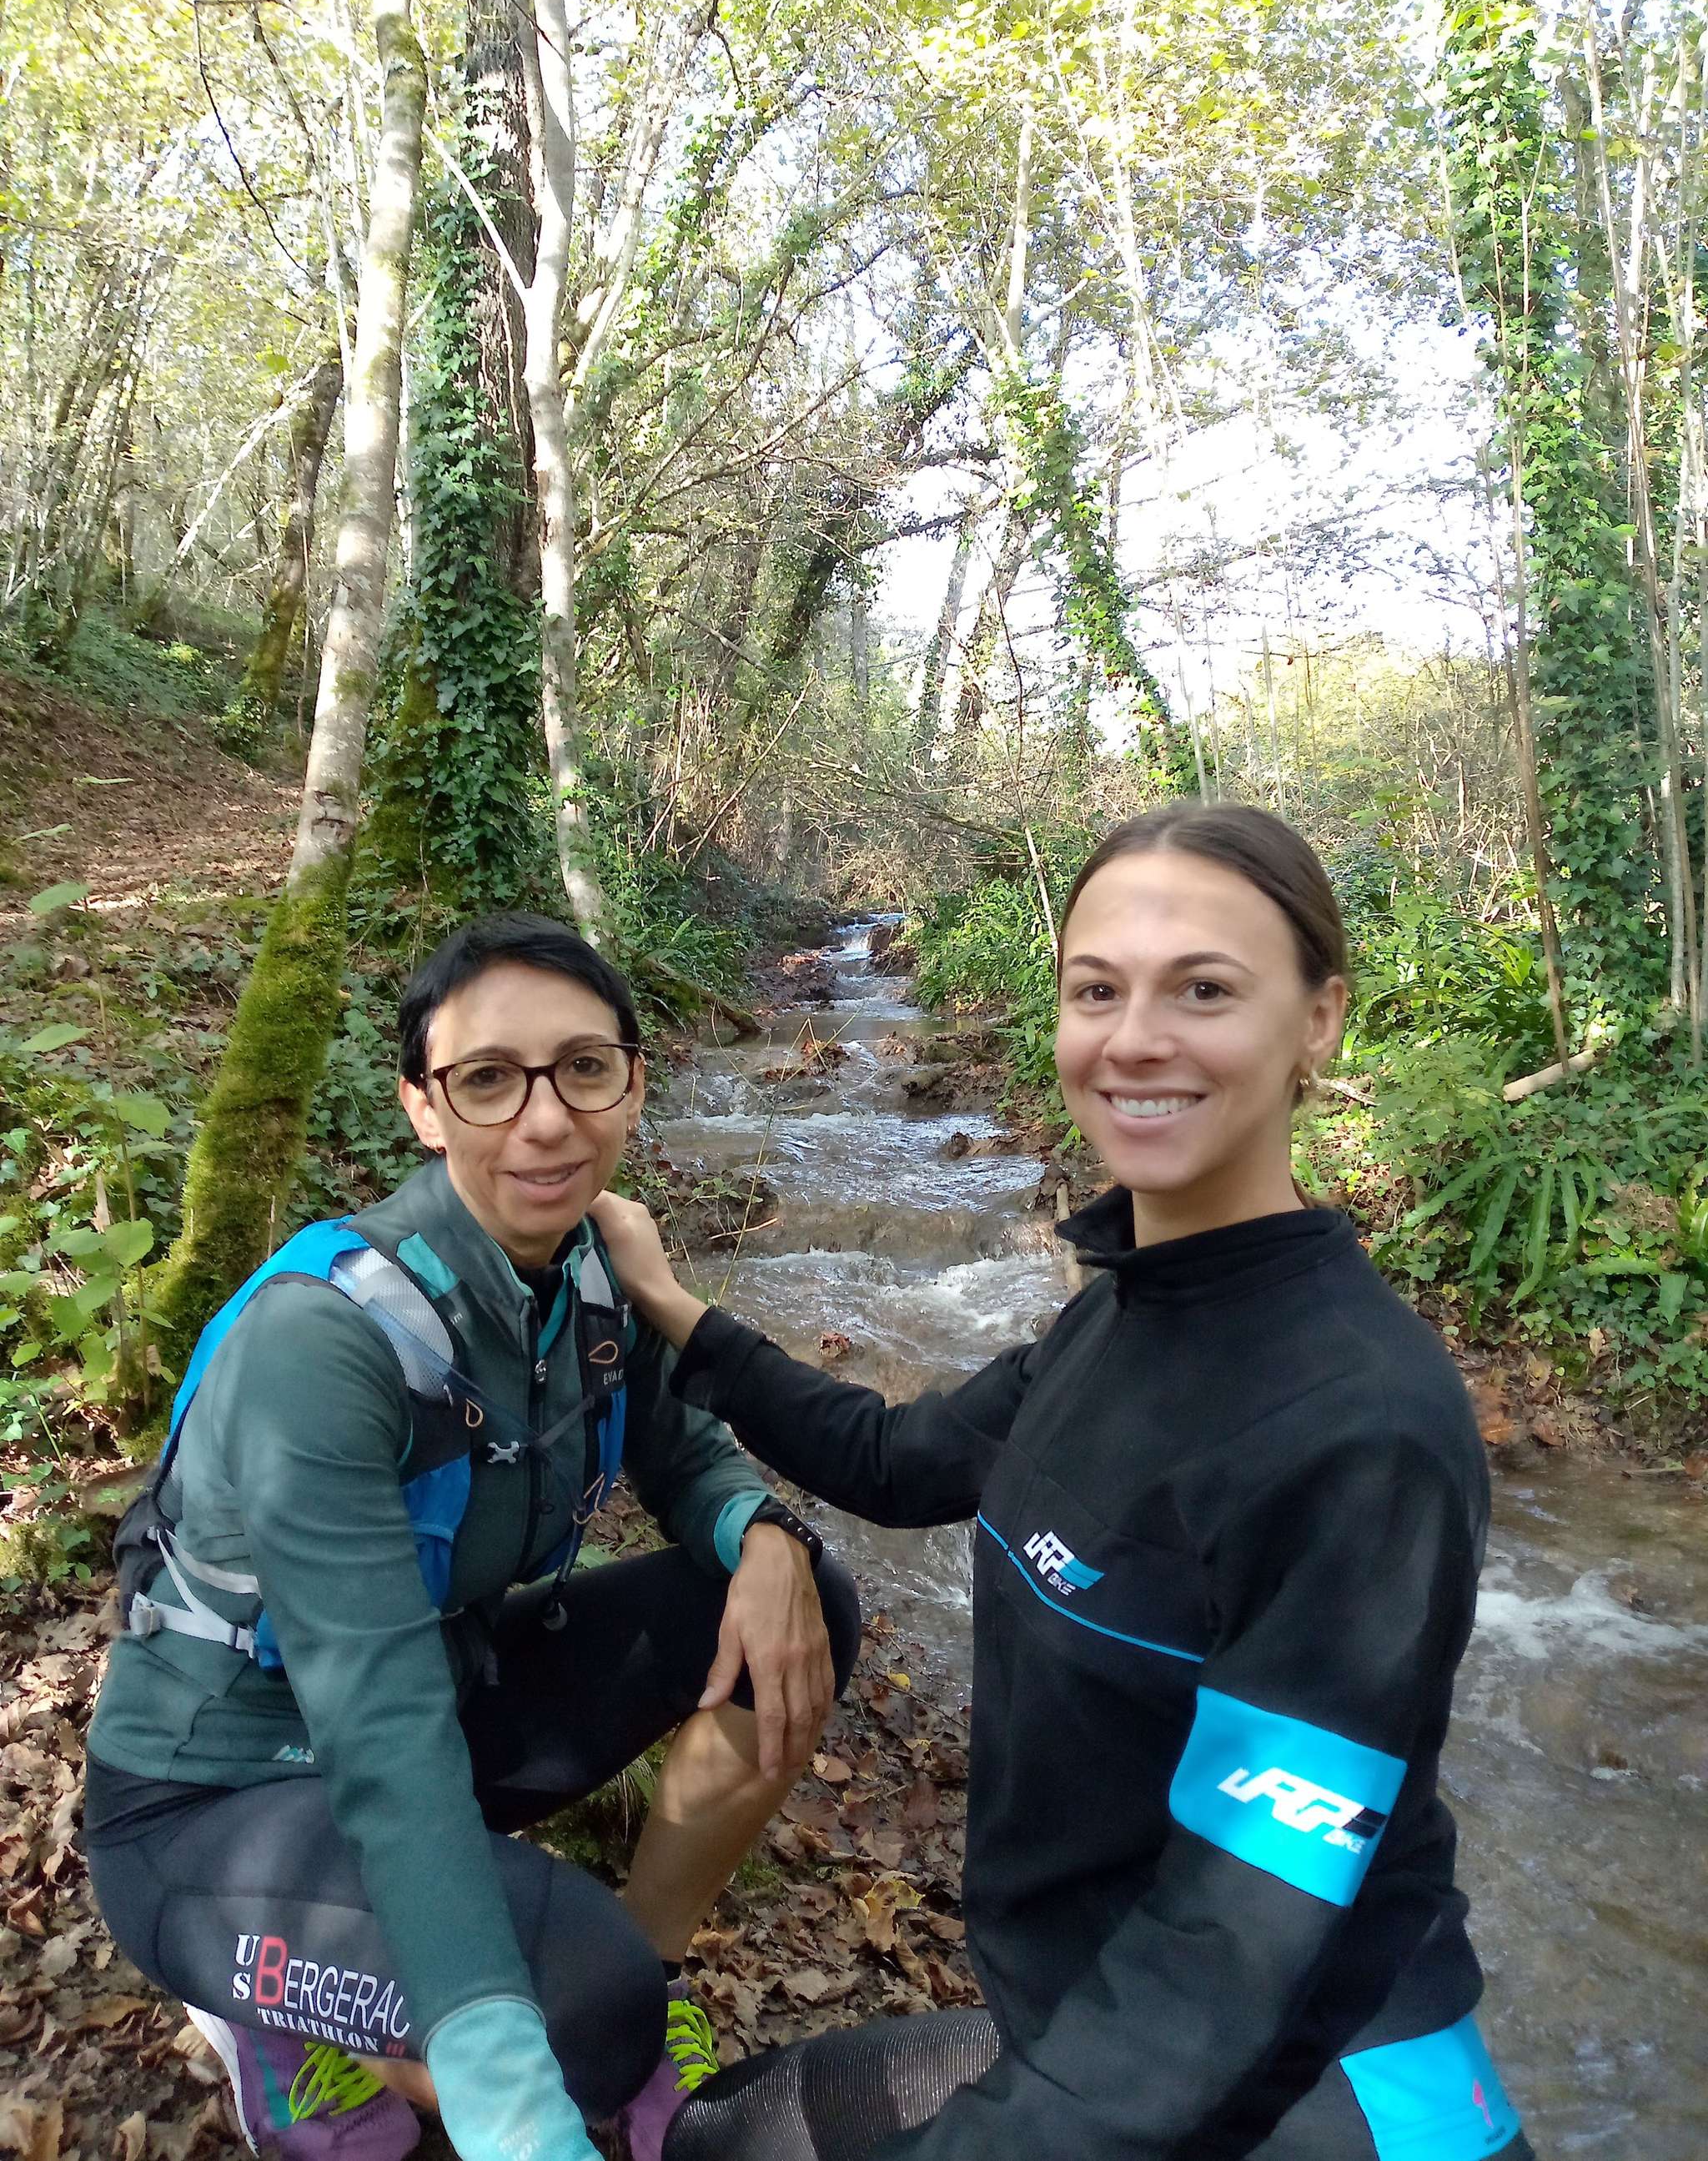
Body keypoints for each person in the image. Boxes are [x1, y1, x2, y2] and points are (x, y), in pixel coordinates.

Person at [590, 802, 1534, 2161]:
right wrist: (675, 1311)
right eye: (1098, 990)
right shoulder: (1116, 1319)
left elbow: (1233, 1940)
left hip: (1306, 2088)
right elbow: (893, 1461)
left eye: (1203, 989)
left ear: (1320, 1020)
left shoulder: (1362, 1429)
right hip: (1089, 2023)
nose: (1135, 1037)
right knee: (723, 2135)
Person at [83, 914, 862, 2161]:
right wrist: (510, 2091)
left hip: (449, 1700)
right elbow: (378, 1720)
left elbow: (685, 1455)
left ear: (631, 1084)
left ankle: (638, 1980)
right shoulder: (326, 1339)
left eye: (583, 1069)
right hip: (214, 1793)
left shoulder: (596, 1269)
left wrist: (766, 1535)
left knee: (805, 1602)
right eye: (490, 1080)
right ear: (423, 1108)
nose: (546, 1122)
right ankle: (277, 2021)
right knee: (576, 2024)